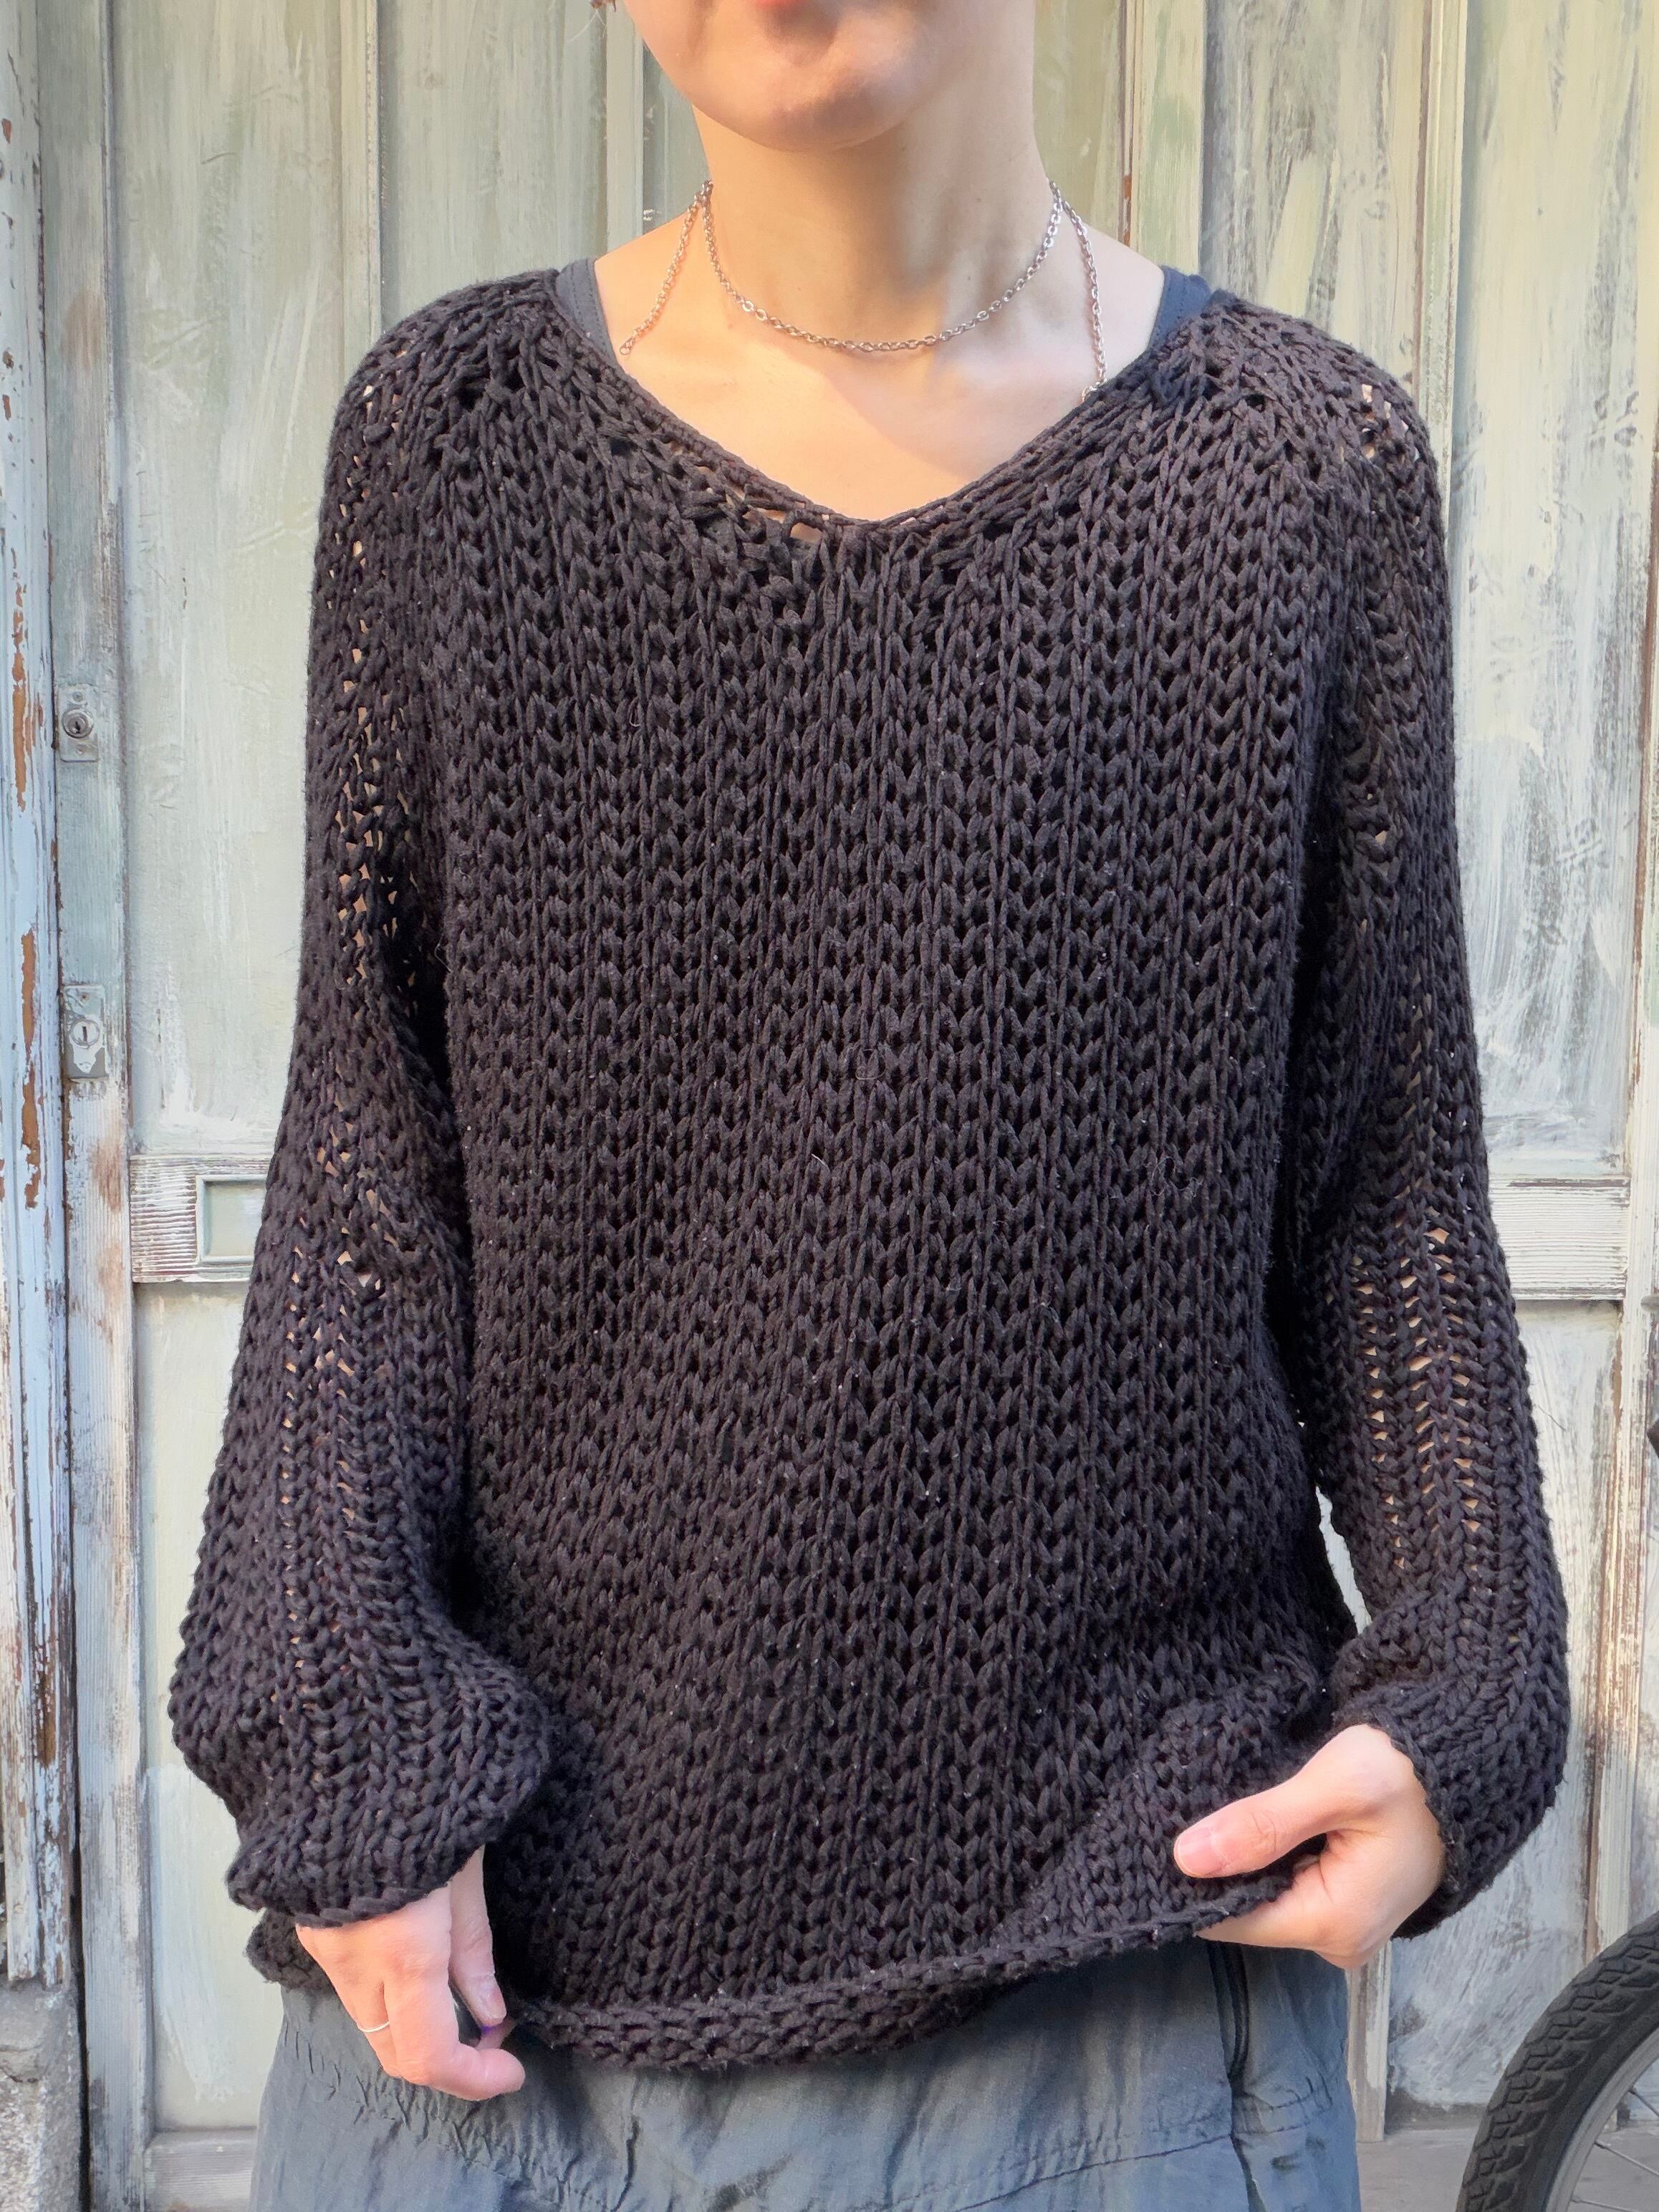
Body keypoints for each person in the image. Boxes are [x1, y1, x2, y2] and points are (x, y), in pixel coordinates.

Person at [167, 1, 1572, 2206]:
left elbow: (1378, 1187)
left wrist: (1470, 1677)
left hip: (1112, 2002)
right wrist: (336, 1717)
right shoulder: (457, 444)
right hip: (501, 2017)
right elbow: (375, 1170)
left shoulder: (1294, 475)